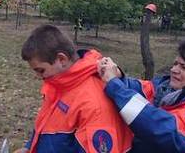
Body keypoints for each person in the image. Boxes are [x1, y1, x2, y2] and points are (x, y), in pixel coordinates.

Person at [98, 34, 185, 153]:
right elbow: (147, 90)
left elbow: (160, 128)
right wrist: (119, 76)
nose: (174, 70)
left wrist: (115, 86)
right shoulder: (175, 91)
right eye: (175, 63)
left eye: (184, 67)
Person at [13, 25, 133, 153]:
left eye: (41, 70)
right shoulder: (59, 85)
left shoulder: (93, 105)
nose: (38, 76)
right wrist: (30, 148)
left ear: (61, 59)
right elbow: (48, 127)